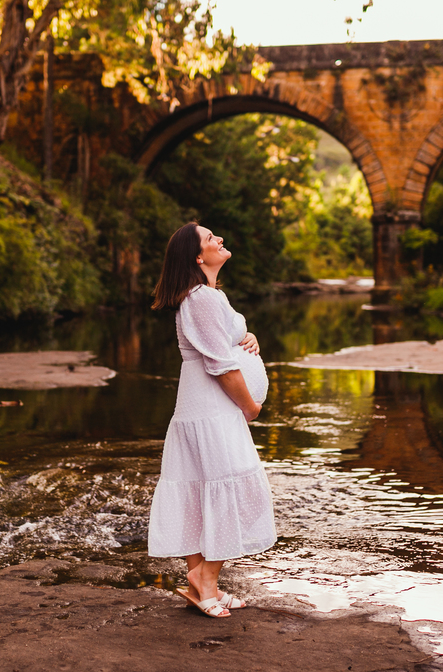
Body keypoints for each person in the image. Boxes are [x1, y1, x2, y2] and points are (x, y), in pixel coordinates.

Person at [147, 222, 276, 618]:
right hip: (211, 409)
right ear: (198, 257)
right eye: (209, 238)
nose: (219, 238)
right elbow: (219, 364)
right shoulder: (201, 298)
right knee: (234, 488)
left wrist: (247, 335)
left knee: (201, 490)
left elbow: (223, 342)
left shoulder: (208, 295)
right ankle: (203, 579)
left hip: (203, 409)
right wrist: (251, 407)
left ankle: (206, 587)